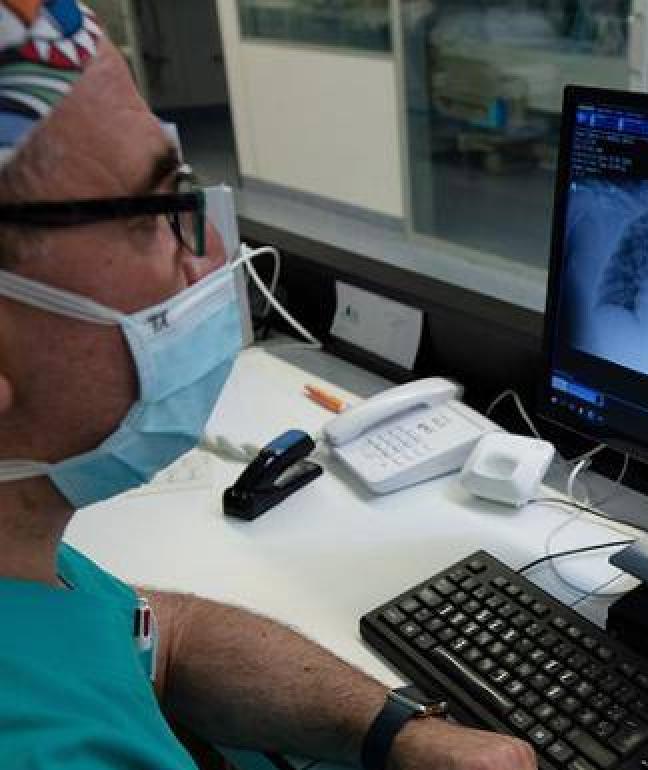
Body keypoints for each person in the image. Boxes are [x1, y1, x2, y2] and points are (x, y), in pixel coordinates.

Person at [0, 3, 536, 769]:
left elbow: (159, 638)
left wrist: (397, 733)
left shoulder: (25, 575)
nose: (212, 253)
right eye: (157, 212)